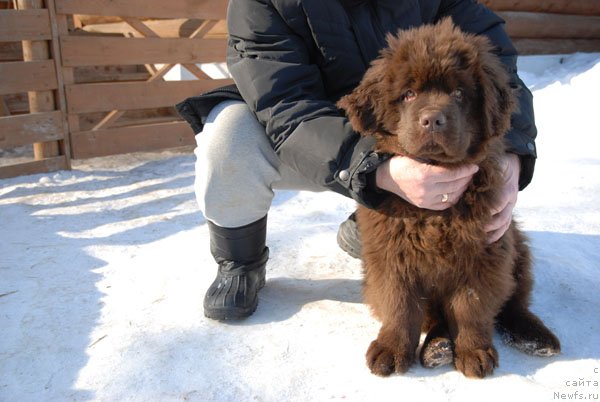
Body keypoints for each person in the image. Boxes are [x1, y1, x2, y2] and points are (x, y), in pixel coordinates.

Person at [176, 0, 537, 323]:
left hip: (400, 128)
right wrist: (377, 171)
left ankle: (373, 221)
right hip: (298, 134)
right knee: (229, 134)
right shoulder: (263, 3)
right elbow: (287, 108)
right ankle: (240, 261)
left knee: (451, 133)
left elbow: (496, 68)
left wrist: (511, 152)